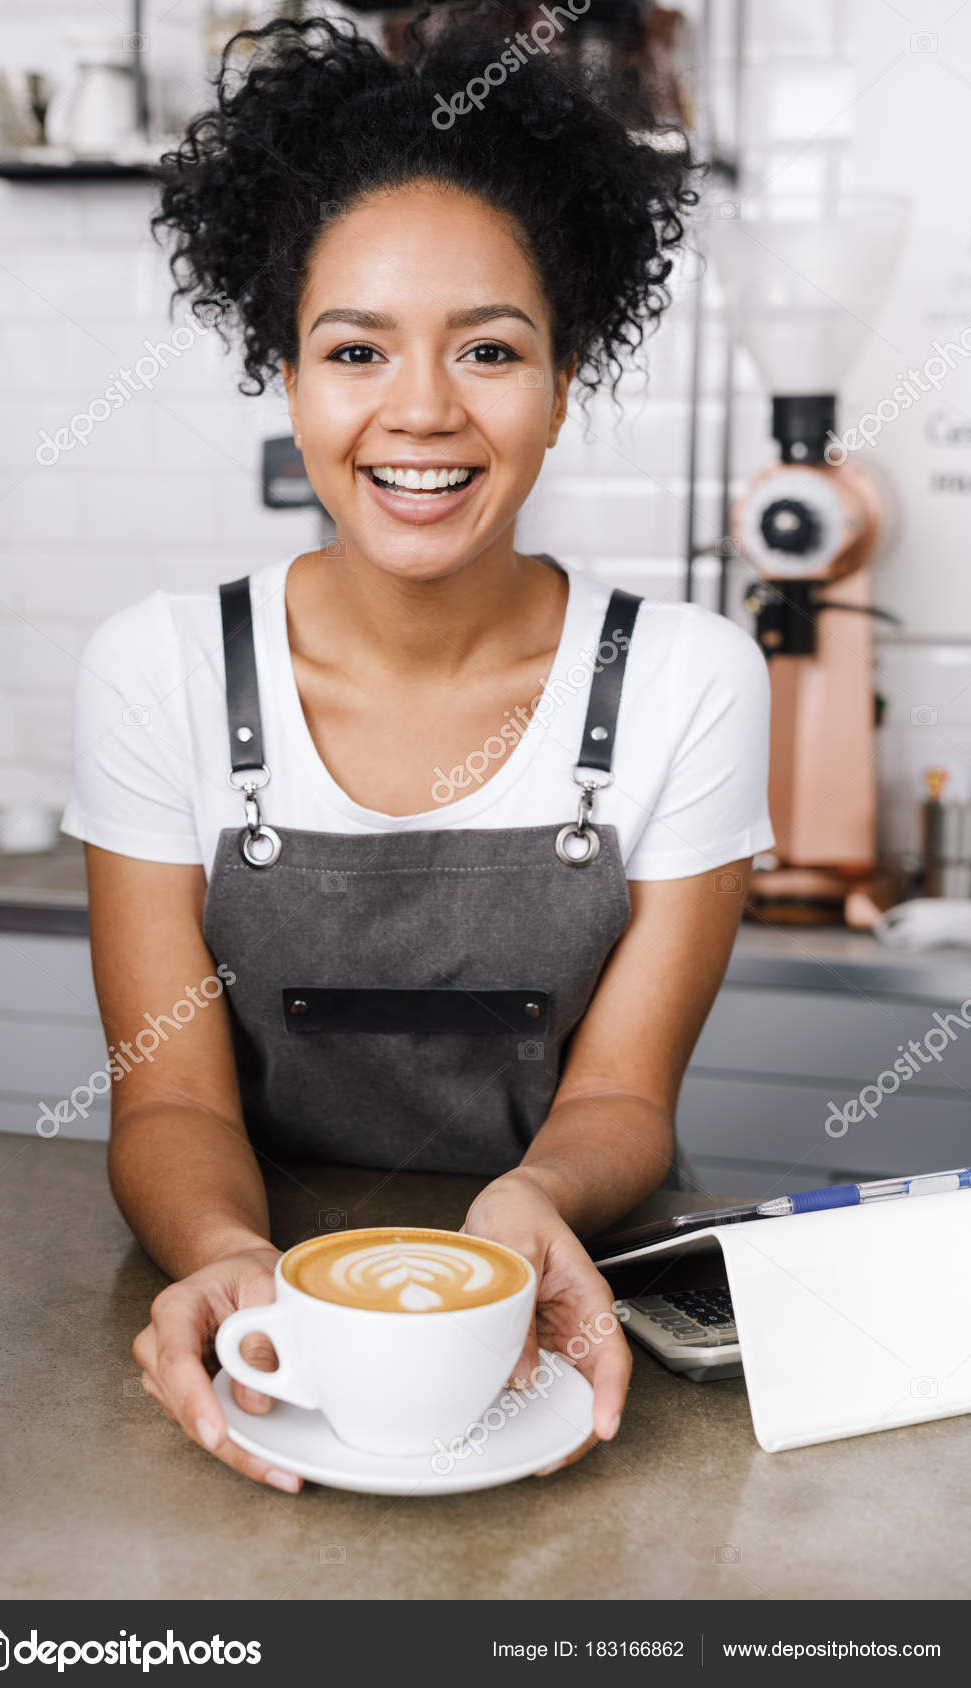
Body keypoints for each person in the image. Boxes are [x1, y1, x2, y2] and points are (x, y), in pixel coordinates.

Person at [61, 7, 774, 1493]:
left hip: (576, 1304)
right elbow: (173, 1101)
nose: (423, 412)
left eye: (492, 349)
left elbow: (622, 1101)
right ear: (290, 373)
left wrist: (531, 1204)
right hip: (267, 1326)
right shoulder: (161, 673)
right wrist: (232, 1262)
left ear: (567, 379)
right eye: (355, 349)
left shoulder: (688, 682)